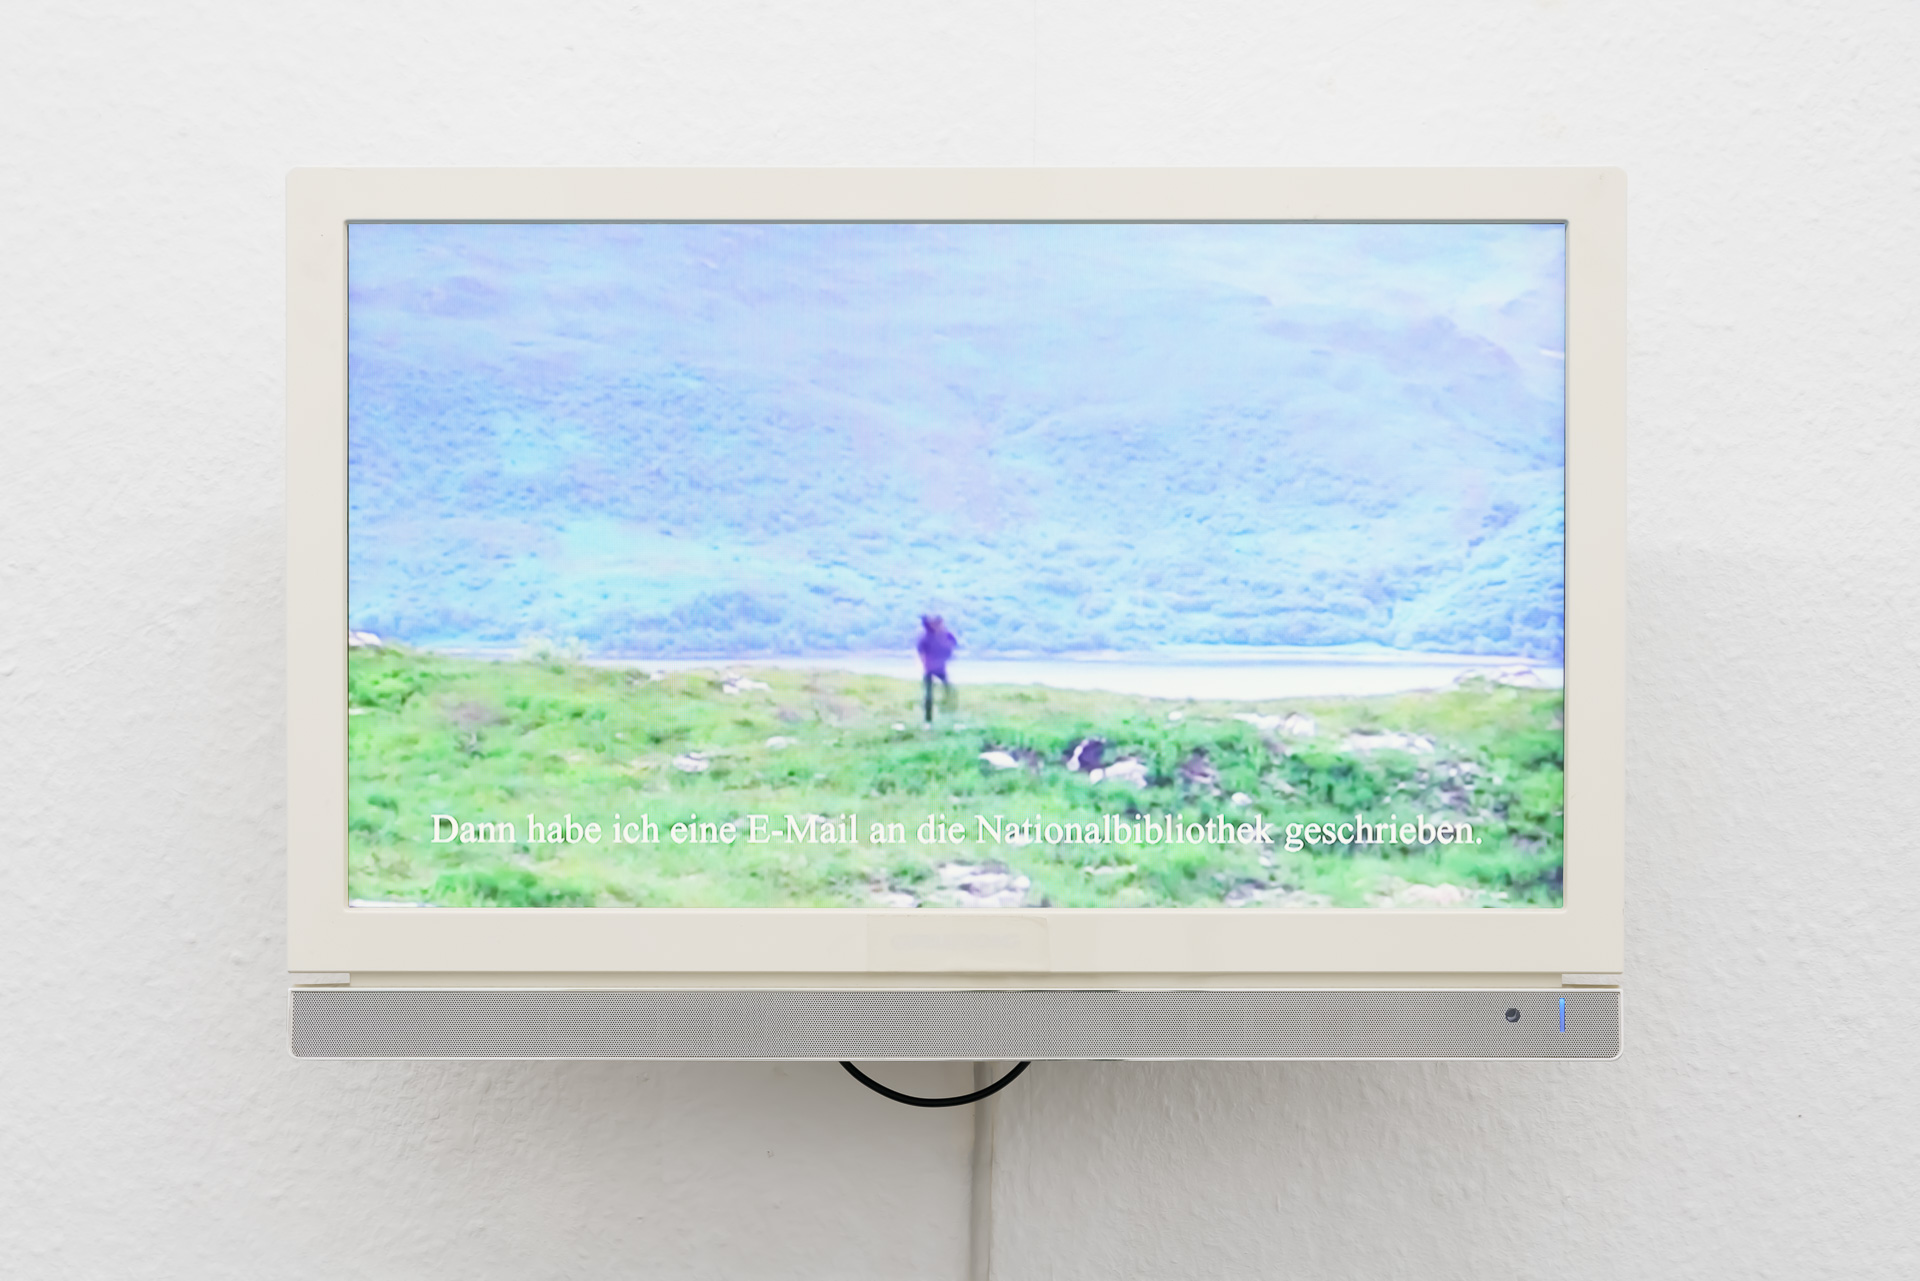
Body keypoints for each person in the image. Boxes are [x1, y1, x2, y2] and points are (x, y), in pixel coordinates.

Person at [916, 615, 959, 724]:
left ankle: (945, 712)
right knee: (930, 694)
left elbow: (953, 643)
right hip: (931, 668)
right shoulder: (928, 637)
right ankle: (929, 719)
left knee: (945, 690)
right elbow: (921, 651)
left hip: (935, 667)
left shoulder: (942, 635)